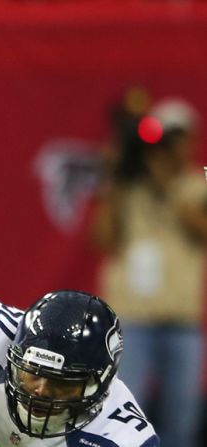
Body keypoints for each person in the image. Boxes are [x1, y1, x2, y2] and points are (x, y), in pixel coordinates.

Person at [91, 97, 207, 447]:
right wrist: (112, 178)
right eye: (163, 141)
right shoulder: (127, 190)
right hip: (132, 320)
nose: (169, 149)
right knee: (122, 413)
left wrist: (168, 186)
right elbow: (101, 238)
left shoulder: (196, 185)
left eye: (176, 139)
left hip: (181, 322)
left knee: (182, 418)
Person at [0, 290, 160, 447]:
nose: (40, 390)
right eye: (33, 372)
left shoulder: (118, 437)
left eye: (61, 382)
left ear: (100, 385)